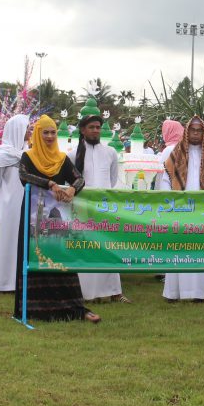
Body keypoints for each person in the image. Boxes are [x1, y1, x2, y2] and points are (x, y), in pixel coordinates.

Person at [14, 115, 99, 323]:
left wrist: (72, 189)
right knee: (34, 257)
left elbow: (79, 179)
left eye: (53, 132)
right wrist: (50, 184)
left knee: (61, 258)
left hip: (58, 219)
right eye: (46, 132)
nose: (50, 136)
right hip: (34, 217)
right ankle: (33, 309)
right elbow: (24, 176)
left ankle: (75, 308)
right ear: (38, 134)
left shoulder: (61, 159)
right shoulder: (28, 156)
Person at [158, 115, 204, 302]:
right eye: (192, 130)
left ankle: (200, 294)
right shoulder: (176, 153)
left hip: (202, 212)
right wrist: (171, 204)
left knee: (201, 250)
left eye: (199, 130)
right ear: (187, 132)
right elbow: (166, 180)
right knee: (178, 249)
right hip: (180, 211)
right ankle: (173, 293)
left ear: (203, 133)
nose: (195, 133)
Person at [74, 112, 127, 304]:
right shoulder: (73, 154)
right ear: (83, 130)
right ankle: (86, 293)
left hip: (104, 208)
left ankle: (114, 292)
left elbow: (111, 180)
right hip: (83, 208)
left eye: (98, 127)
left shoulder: (110, 152)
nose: (95, 131)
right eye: (91, 127)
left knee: (107, 247)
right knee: (85, 247)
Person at [0, 114, 29, 293]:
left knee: (23, 239)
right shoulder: (2, 153)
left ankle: (20, 281)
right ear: (17, 130)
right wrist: (1, 198)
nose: (30, 132)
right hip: (7, 203)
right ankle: (1, 282)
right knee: (5, 239)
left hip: (26, 201)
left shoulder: (29, 152)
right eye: (27, 128)